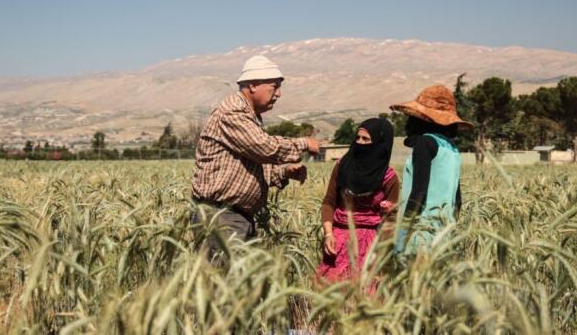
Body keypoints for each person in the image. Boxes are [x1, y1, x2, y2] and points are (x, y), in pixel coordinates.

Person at [191, 55, 320, 262]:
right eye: (274, 87)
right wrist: (303, 143)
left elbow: (256, 165)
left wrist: (285, 171)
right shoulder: (233, 112)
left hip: (235, 217)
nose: (279, 94)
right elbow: (264, 147)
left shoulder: (250, 117)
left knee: (240, 288)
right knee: (220, 287)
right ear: (252, 85)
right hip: (220, 217)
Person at [389, 85, 474, 255]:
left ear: (422, 120)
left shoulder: (425, 143)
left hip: (420, 235)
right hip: (444, 236)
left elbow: (419, 192)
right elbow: (457, 199)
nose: (408, 122)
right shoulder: (452, 148)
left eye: (411, 118)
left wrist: (403, 233)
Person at [316, 118, 399, 283]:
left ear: (380, 145)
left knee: (365, 297)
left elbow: (391, 220)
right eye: (358, 138)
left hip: (370, 246)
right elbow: (329, 202)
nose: (360, 143)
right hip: (338, 241)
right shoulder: (342, 167)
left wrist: (382, 259)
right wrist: (328, 234)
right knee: (330, 295)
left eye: (366, 139)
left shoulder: (389, 178)